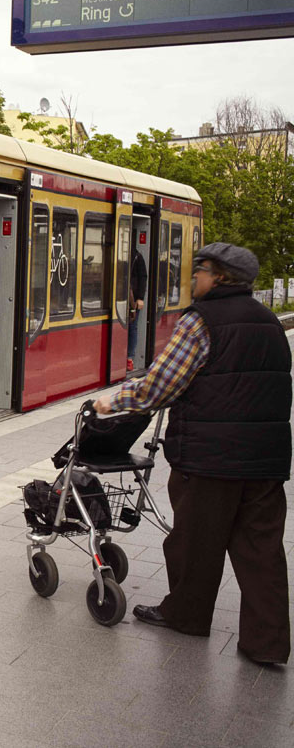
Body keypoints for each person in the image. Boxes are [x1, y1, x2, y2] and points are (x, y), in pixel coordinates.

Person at [94, 242, 291, 665]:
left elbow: (162, 384)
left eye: (199, 271)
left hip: (210, 460)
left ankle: (186, 615)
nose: (192, 279)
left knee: (193, 544)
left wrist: (116, 401)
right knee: (263, 554)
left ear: (218, 277)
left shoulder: (200, 322)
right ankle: (268, 644)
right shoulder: (270, 321)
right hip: (265, 462)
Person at [127, 247, 148, 372]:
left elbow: (143, 277)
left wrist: (140, 298)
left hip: (133, 299)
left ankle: (130, 358)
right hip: (122, 298)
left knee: (132, 327)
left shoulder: (137, 257)